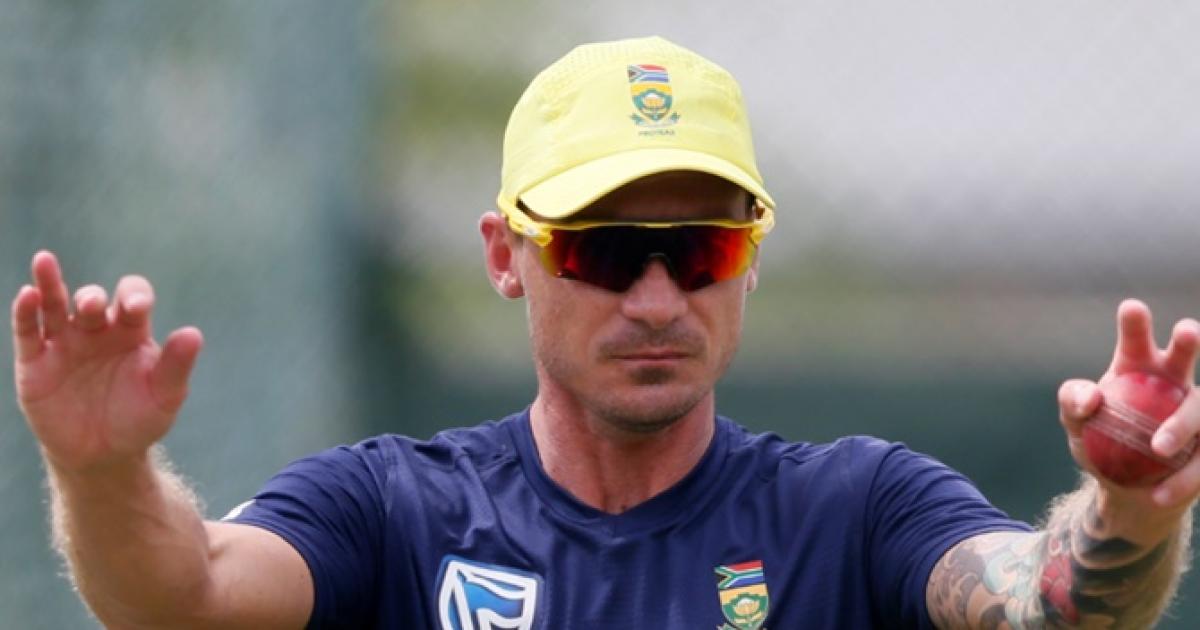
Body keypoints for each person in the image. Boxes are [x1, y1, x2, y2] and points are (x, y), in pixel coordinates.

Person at [10, 35, 1199, 630]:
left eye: (703, 248)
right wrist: (100, 469)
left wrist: (1134, 511)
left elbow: (1037, 602)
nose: (657, 300)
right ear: (506, 257)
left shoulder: (857, 510)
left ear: (750, 259)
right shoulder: (392, 511)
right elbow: (185, 597)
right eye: (602, 250)